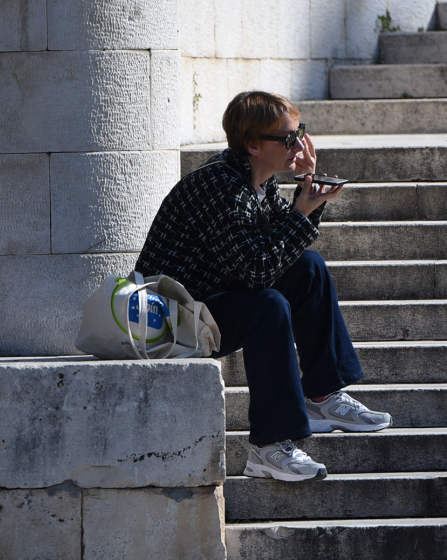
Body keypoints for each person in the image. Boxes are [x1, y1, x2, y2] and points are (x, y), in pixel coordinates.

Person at [135, 90, 391, 482]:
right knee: (267, 305)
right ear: (253, 145)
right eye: (287, 138)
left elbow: (279, 253)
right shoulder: (222, 187)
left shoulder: (259, 181)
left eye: (299, 133)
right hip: (174, 320)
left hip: (212, 298)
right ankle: (269, 446)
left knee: (307, 266)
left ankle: (322, 396)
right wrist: (302, 213)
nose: (298, 145)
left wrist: (308, 197)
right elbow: (258, 273)